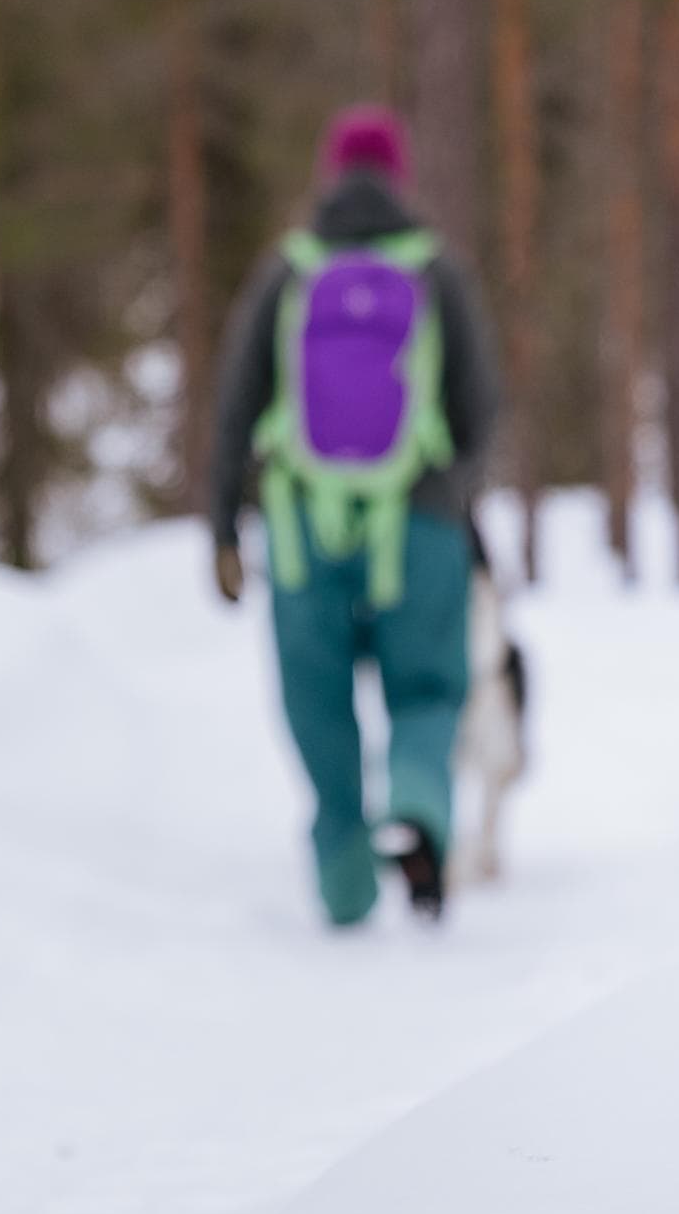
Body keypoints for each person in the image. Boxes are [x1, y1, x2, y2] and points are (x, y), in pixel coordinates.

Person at [206, 105, 502, 926]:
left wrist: (224, 526)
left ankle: (343, 870)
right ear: (399, 174)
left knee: (316, 697)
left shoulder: (289, 272)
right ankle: (415, 802)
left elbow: (236, 407)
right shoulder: (438, 273)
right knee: (428, 689)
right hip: (422, 521)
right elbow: (481, 409)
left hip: (303, 527)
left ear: (331, 171)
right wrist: (455, 494)